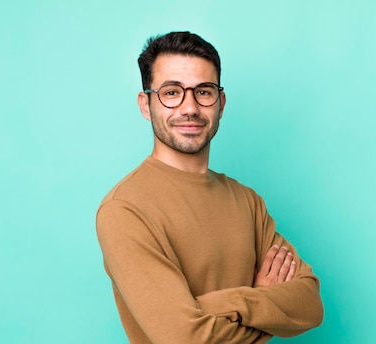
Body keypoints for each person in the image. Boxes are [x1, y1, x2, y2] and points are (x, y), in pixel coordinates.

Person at [95, 31, 323, 343]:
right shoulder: (125, 209)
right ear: (146, 104)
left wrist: (219, 306)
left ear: (221, 103)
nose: (190, 108)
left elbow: (309, 304)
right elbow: (184, 338)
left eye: (203, 91)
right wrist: (265, 304)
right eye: (171, 92)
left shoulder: (246, 201)